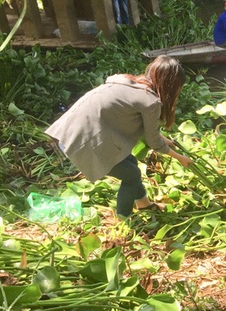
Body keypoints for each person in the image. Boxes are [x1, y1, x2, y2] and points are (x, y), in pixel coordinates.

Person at [45, 56, 193, 217]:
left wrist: (165, 140)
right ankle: (123, 219)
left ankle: (144, 204)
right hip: (81, 140)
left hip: (68, 130)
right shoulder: (150, 101)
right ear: (170, 86)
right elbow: (153, 142)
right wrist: (180, 158)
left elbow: (149, 130)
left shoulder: (127, 83)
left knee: (131, 162)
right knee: (131, 175)